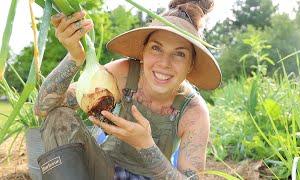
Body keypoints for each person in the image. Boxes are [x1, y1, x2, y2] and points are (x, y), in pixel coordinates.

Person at [34, 0, 221, 179]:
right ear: (143, 52)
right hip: (103, 168)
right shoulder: (125, 74)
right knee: (59, 116)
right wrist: (75, 57)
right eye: (156, 48)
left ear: (190, 64)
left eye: (179, 54)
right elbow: (43, 108)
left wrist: (147, 147)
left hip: (152, 177)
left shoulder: (194, 113)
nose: (165, 63)